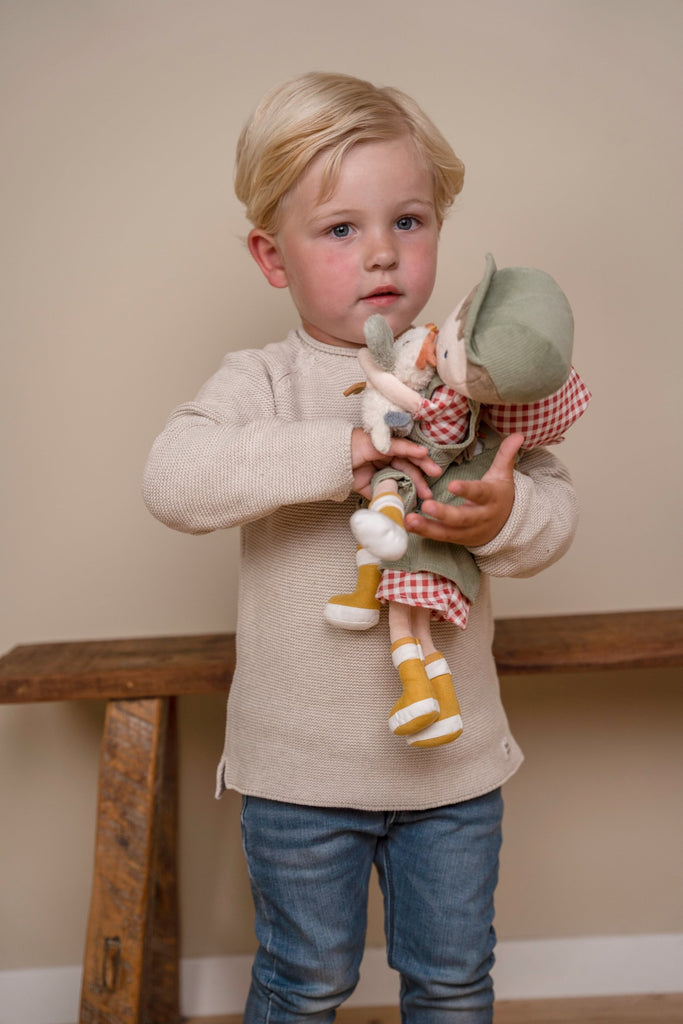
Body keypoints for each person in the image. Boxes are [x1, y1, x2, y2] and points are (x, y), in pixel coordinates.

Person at [143, 71, 580, 1024]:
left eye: (408, 221)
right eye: (340, 229)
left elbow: (550, 511)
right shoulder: (262, 381)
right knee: (302, 984)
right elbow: (173, 480)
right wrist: (341, 450)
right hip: (298, 773)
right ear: (273, 256)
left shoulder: (467, 376)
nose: (382, 252)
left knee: (454, 981)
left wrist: (499, 517)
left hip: (453, 768)